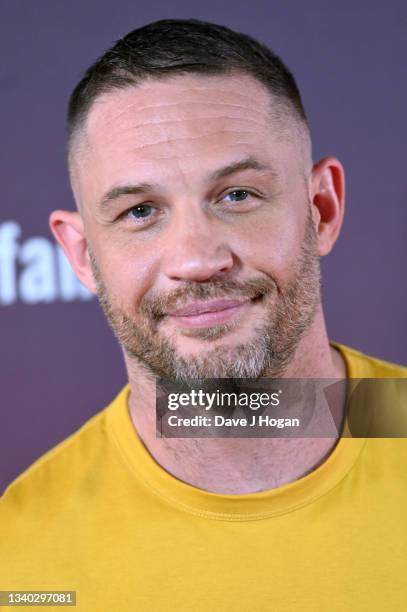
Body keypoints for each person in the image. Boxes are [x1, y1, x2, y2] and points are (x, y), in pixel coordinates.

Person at [1, 18, 406, 611]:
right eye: (140, 212)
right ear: (83, 256)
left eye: (238, 195)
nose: (196, 259)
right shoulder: (19, 554)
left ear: (321, 208)